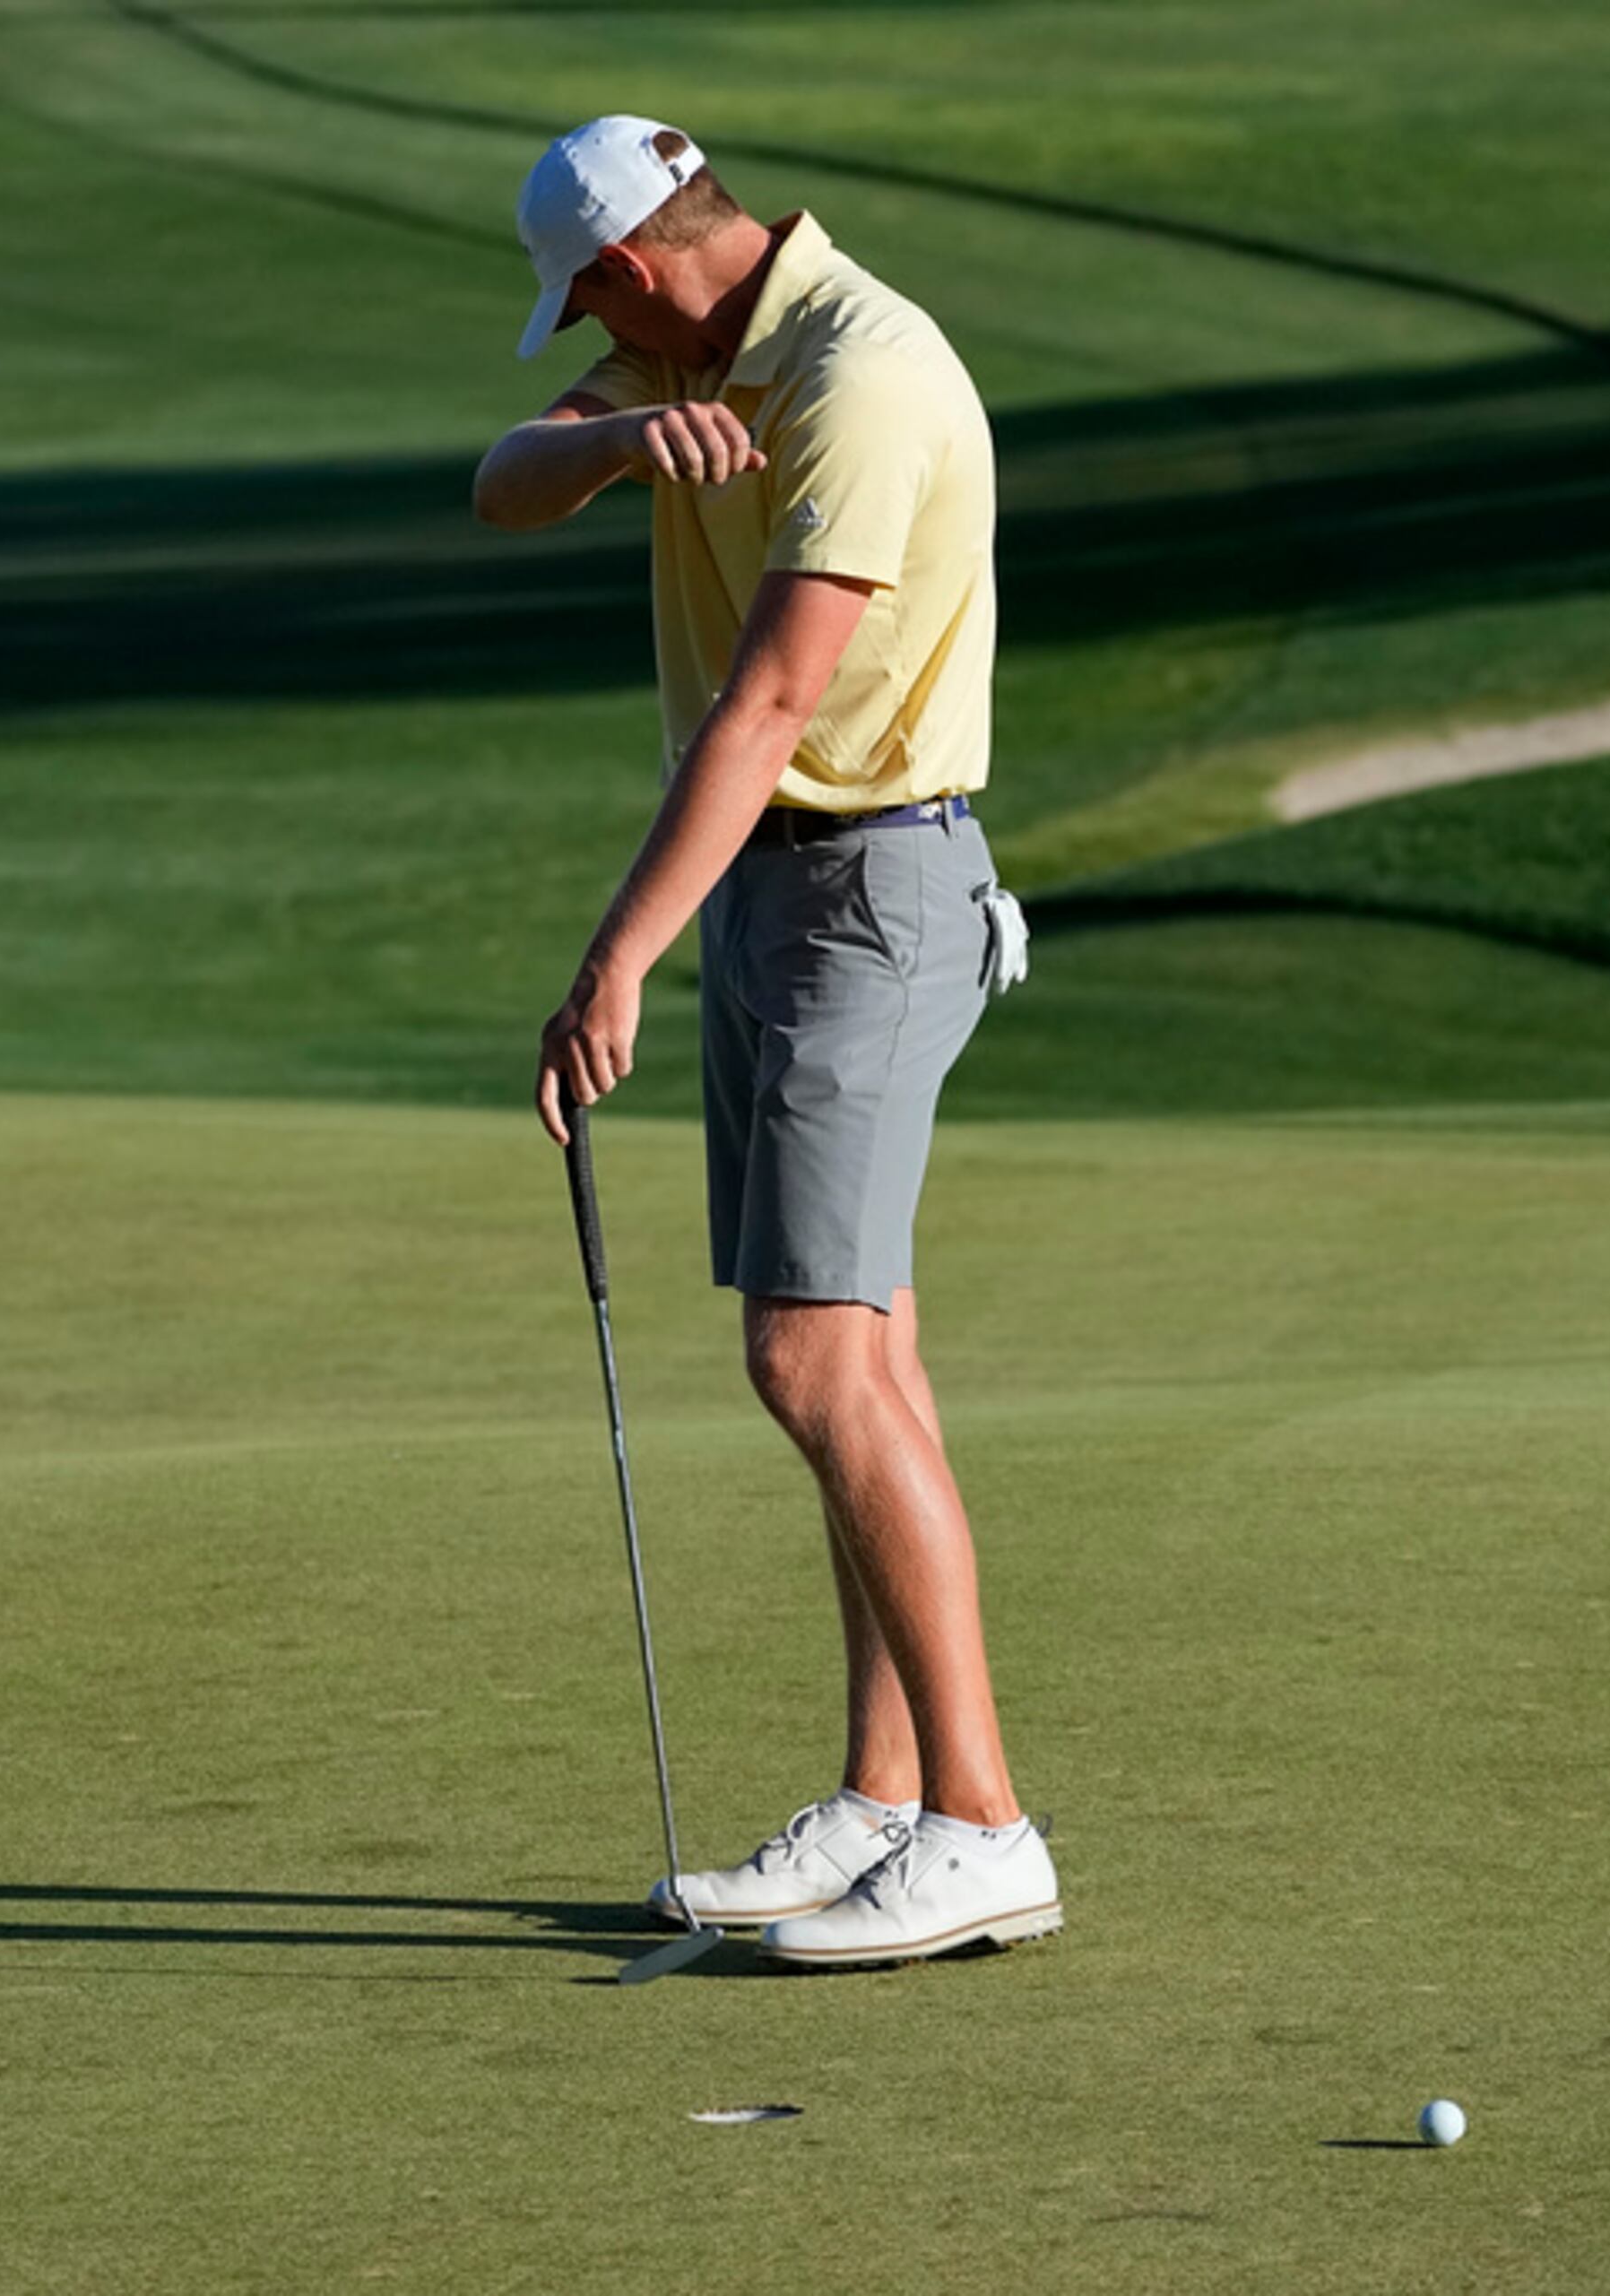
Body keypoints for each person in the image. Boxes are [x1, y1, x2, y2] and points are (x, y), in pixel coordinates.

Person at [472, 116, 1054, 1970]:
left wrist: (612, 961)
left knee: (812, 1363)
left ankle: (984, 1824)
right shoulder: (694, 354)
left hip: (869, 886)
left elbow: (777, 693)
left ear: (629, 268)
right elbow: (500, 482)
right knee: (864, 1350)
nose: (589, 338)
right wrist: (622, 435)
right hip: (785, 894)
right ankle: (890, 1799)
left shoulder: (861, 371)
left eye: (586, 311)